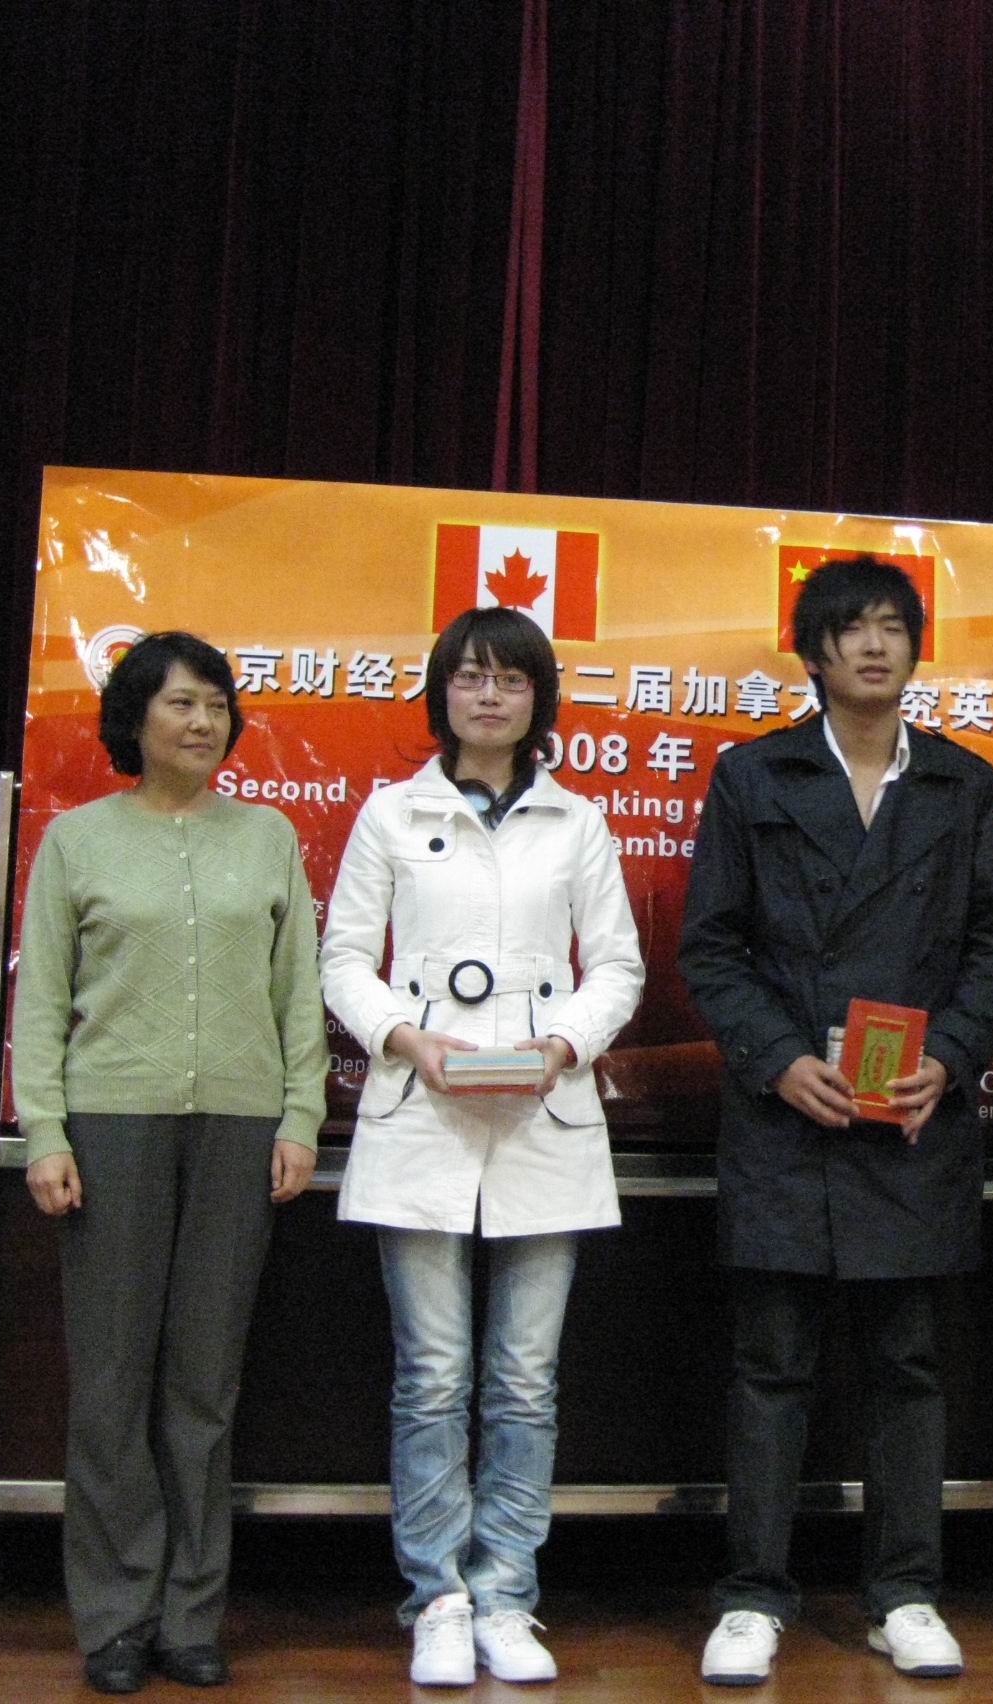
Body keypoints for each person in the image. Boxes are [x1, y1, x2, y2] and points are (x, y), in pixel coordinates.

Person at [678, 556, 993, 1686]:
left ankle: (906, 1594)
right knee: (771, 1364)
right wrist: (777, 1061)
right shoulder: (752, 774)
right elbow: (712, 946)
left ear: (915, 648)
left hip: (910, 1120)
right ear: (813, 653)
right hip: (786, 1119)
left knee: (908, 1366)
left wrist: (951, 1058)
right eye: (851, 629)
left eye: (892, 628)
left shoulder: (961, 782)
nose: (875, 646)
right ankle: (752, 1597)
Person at [319, 606, 642, 1689]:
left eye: (510, 679)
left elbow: (617, 968)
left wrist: (563, 1045)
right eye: (469, 677)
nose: (489, 696)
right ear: (442, 693)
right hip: (423, 1113)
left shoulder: (577, 822)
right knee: (432, 1376)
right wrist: (407, 1039)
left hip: (544, 1119)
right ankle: (438, 1599)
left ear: (538, 698)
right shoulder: (390, 813)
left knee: (523, 1381)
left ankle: (507, 1593)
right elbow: (344, 961)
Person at [12, 630, 327, 1695]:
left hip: (241, 1126)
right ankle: (114, 1618)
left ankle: (191, 1615)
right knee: (110, 1383)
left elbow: (297, 991)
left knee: (203, 1385)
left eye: (217, 705)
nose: (203, 722)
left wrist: (299, 1116)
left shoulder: (267, 836)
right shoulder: (77, 841)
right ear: (134, 718)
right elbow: (42, 1001)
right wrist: (46, 1132)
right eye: (181, 703)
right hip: (112, 1124)